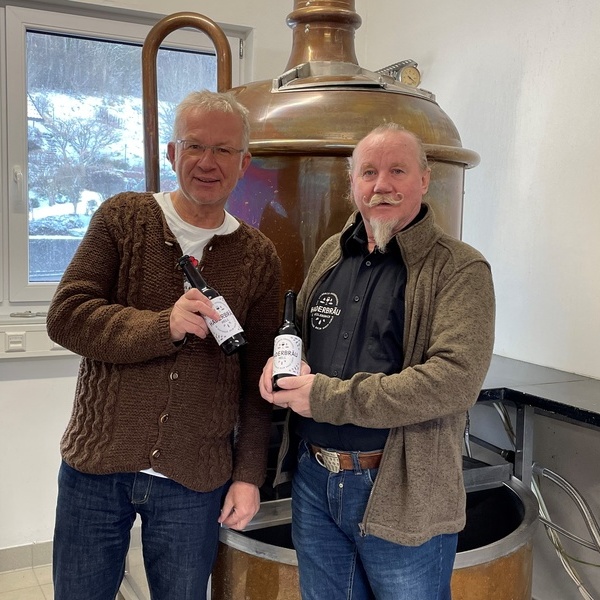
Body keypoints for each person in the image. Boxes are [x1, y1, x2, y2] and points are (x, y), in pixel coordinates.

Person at [46, 90, 281, 600]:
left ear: (244, 163)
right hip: (97, 465)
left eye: (223, 150)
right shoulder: (123, 219)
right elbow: (66, 317)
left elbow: (257, 378)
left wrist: (248, 476)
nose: (207, 162)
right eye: (194, 146)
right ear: (172, 153)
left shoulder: (257, 255)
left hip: (195, 477)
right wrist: (163, 326)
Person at [259, 123, 495, 600]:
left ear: (425, 180)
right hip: (314, 480)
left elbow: (453, 381)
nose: (381, 184)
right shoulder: (330, 253)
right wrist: (279, 367)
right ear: (352, 183)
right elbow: (301, 338)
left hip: (401, 487)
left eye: (397, 171)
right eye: (368, 172)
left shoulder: (459, 268)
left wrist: (324, 397)